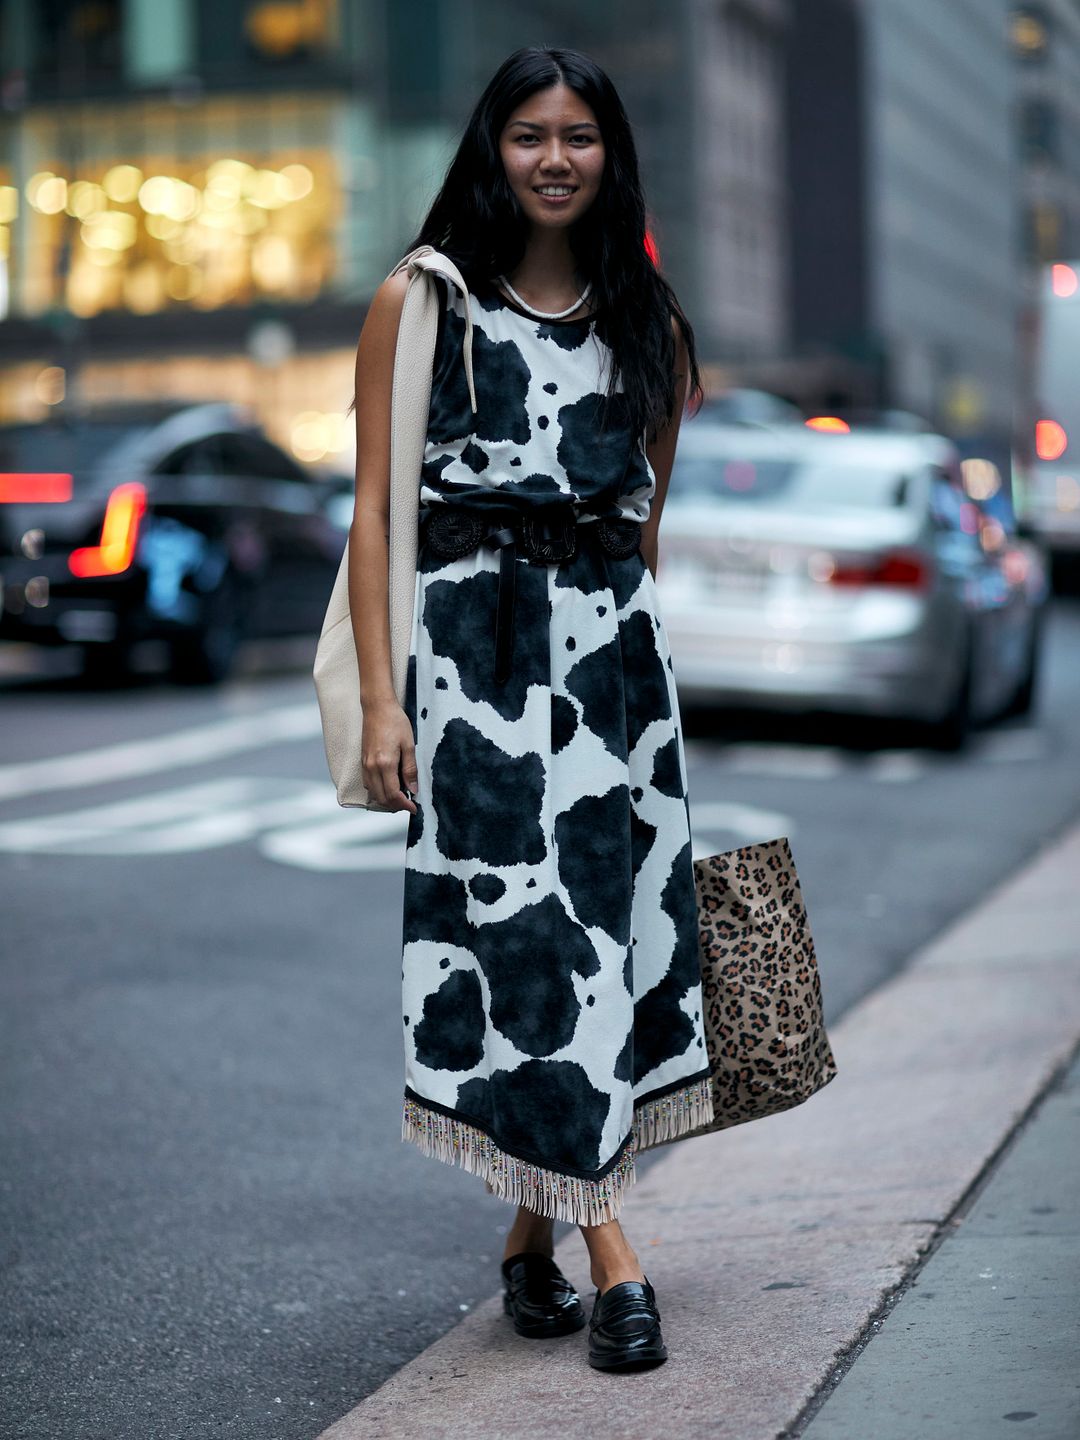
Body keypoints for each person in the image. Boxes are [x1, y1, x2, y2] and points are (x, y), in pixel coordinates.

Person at [349, 44, 712, 1373]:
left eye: (580, 136)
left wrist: (640, 682)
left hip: (614, 674)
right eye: (527, 135)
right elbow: (377, 515)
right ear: (489, 150)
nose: (555, 158)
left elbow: (645, 516)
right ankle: (611, 1246)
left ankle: (532, 1233)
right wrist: (388, 709)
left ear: (612, 155)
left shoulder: (647, 319)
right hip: (476, 671)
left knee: (608, 942)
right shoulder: (421, 302)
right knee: (524, 946)